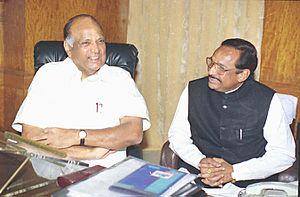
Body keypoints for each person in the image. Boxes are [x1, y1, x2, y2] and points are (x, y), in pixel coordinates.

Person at [12, 14, 150, 169]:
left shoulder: (120, 78)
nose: (96, 49)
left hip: (106, 175)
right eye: (86, 43)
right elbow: (30, 138)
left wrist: (76, 136)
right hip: (53, 174)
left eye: (101, 41)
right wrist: (88, 154)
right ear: (68, 48)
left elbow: (133, 133)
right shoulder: (48, 75)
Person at [168, 38, 295, 188]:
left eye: (221, 68)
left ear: (242, 75)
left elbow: (283, 154)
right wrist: (200, 161)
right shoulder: (193, 90)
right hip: (198, 178)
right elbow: (178, 135)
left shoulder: (267, 100)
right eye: (211, 62)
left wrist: (235, 172)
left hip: (245, 185)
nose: (211, 71)